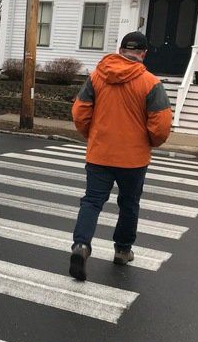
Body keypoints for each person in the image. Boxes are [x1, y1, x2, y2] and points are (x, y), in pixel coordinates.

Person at [69, 31, 172, 282]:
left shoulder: (96, 77)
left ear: (120, 49)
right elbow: (161, 125)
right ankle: (122, 250)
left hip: (100, 153)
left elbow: (80, 112)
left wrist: (91, 135)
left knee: (92, 202)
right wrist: (150, 142)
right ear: (143, 53)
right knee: (129, 204)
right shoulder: (151, 83)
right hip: (133, 159)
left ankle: (81, 246)